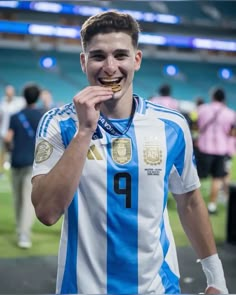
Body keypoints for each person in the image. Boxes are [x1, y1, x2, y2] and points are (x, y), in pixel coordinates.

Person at [31, 11, 228, 294]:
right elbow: (47, 212)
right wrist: (84, 131)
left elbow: (190, 201)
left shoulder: (171, 125)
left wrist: (215, 277)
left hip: (158, 287)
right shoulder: (59, 123)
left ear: (136, 59)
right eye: (98, 56)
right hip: (83, 288)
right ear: (84, 61)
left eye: (121, 55)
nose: (110, 67)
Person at [4, 83, 43, 248]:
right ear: (38, 97)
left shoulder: (15, 116)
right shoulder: (43, 115)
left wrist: (10, 150)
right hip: (32, 163)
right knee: (28, 199)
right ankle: (24, 235)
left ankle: (20, 228)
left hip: (16, 161)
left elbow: (7, 138)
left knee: (18, 198)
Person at [197, 87, 236, 214]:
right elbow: (232, 132)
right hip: (221, 150)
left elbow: (196, 125)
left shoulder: (202, 109)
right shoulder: (230, 113)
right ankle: (212, 206)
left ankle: (193, 203)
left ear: (213, 96)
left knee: (196, 178)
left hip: (204, 147)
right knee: (217, 178)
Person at [0, 85, 25, 172]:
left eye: (11, 92)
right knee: (3, 150)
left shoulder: (18, 103)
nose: (9, 93)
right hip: (4, 130)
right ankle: (2, 168)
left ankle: (12, 165)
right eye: (8, 92)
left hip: (14, 130)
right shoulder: (3, 103)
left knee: (13, 148)